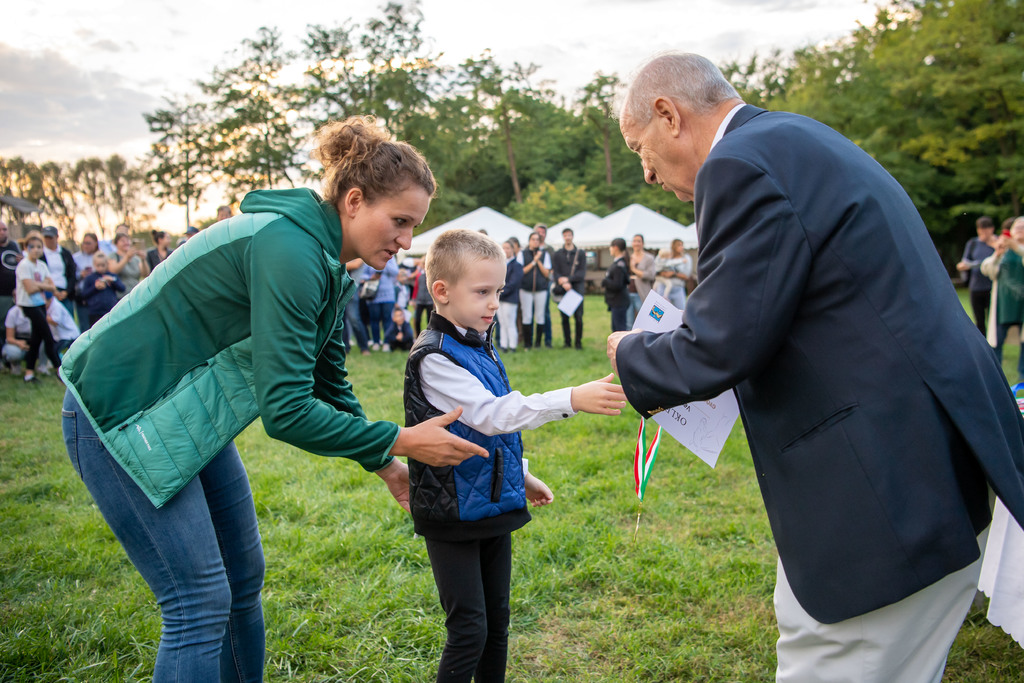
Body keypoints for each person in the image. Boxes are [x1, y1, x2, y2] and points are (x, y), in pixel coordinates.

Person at [607, 52, 1024, 683]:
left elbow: (721, 343)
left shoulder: (737, 165)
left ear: (669, 115)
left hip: (881, 489)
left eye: (641, 149)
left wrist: (630, 352)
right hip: (932, 457)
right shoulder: (798, 137)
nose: (645, 172)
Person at [59, 115, 488, 682]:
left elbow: (328, 382)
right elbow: (285, 411)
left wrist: (386, 463)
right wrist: (402, 439)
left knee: (241, 580)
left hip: (183, 417)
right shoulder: (289, 249)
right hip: (119, 413)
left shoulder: (325, 262)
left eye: (414, 226)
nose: (407, 241)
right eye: (400, 221)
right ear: (354, 201)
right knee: (198, 601)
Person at [404, 228, 626, 683]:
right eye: (482, 292)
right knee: (469, 630)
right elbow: (492, 415)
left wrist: (520, 476)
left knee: (497, 623)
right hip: (452, 511)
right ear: (441, 292)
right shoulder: (435, 357)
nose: (493, 303)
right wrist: (570, 397)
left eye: (499, 292)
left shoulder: (478, 341)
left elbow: (489, 432)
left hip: (493, 504)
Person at [981, 216, 1024, 380]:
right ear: (1010, 231)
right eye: (1017, 226)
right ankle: (996, 374)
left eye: (1023, 226)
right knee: (997, 340)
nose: (1019, 228)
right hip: (1004, 305)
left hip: (1022, 306)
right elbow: (987, 270)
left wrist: (1017, 247)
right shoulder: (1003, 249)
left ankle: (1022, 374)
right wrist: (997, 255)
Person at [15, 231, 61, 383]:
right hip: (28, 305)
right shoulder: (24, 265)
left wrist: (38, 285)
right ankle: (59, 369)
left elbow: (52, 287)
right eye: (32, 246)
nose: (36, 250)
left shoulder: (42, 265)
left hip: (40, 304)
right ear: (26, 248)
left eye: (39, 247)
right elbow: (29, 289)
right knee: (48, 336)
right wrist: (43, 285)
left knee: (36, 339)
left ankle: (29, 374)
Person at [956, 216, 997, 334]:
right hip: (976, 286)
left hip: (992, 285)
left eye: (986, 229)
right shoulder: (973, 243)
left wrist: (994, 245)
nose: (983, 232)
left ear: (992, 229)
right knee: (979, 320)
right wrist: (963, 266)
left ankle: (993, 343)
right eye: (981, 229)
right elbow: (964, 261)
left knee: (993, 320)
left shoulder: (998, 242)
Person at [552, 227, 587, 349]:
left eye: (569, 235)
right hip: (563, 288)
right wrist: (562, 282)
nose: (567, 237)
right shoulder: (557, 254)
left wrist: (568, 280)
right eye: (565, 235)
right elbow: (555, 272)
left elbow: (581, 273)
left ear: (572, 236)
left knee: (578, 317)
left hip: (577, 289)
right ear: (563, 237)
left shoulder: (580, 253)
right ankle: (567, 342)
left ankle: (578, 343)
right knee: (564, 317)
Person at [519, 231, 551, 349]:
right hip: (526, 289)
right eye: (533, 239)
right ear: (529, 241)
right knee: (527, 316)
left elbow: (546, 273)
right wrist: (533, 262)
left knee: (540, 316)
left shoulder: (545, 254)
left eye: (537, 240)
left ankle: (538, 343)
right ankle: (527, 344)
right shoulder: (522, 254)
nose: (535, 241)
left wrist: (538, 261)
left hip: (541, 289)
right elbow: (521, 271)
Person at [360, 256, 399, 350]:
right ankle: (376, 342)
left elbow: (395, 272)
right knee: (374, 320)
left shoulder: (390, 259)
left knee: (387, 319)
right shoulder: (370, 257)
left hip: (388, 295)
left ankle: (387, 342)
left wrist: (384, 262)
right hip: (373, 294)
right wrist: (371, 277)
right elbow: (362, 275)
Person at [77, 252, 125, 327]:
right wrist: (95, 287)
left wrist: (113, 281)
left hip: (111, 310)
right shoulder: (90, 278)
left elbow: (122, 288)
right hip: (95, 312)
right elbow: (84, 295)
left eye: (103, 265)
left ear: (107, 264)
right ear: (94, 264)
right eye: (98, 265)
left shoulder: (112, 276)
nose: (101, 268)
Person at [41, 225, 76, 316]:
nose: (48, 240)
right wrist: (53, 291)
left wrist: (67, 291)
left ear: (56, 237)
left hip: (65, 292)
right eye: (46, 237)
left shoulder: (65, 253)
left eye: (50, 237)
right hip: (48, 293)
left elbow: (72, 274)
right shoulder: (40, 255)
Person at [497, 240, 523, 352]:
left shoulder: (517, 265)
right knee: (502, 322)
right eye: (503, 248)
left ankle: (512, 345)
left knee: (510, 322)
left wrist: (500, 292)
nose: (505, 250)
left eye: (507, 248)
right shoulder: (500, 265)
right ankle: (504, 345)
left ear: (512, 250)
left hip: (510, 298)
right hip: (500, 298)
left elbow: (513, 283)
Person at [653, 237, 692, 310]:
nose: (681, 247)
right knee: (659, 311)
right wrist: (663, 273)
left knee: (681, 311)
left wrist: (673, 274)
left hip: (678, 288)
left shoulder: (686, 258)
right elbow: (657, 266)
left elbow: (687, 276)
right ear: (673, 246)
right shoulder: (667, 255)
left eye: (682, 245)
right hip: (663, 287)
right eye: (679, 245)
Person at [625, 233, 655, 326]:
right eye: (634, 241)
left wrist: (634, 269)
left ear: (643, 243)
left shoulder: (648, 258)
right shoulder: (629, 257)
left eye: (638, 241)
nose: (636, 243)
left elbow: (651, 275)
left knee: (645, 320)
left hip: (641, 293)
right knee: (629, 322)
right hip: (628, 292)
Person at [72, 232, 101, 330]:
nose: (86, 245)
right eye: (84, 243)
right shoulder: (76, 258)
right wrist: (80, 275)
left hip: (97, 295)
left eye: (89, 243)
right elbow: (71, 276)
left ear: (95, 243)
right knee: (84, 326)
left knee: (98, 326)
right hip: (82, 295)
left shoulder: (100, 256)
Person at [602, 237, 631, 332]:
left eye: (610, 247)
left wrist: (605, 281)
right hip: (617, 302)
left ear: (615, 248)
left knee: (619, 331)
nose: (609, 249)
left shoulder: (619, 265)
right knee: (616, 329)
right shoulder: (619, 263)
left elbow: (618, 284)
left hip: (619, 301)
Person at [108, 232, 150, 298]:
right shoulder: (113, 256)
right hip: (120, 296)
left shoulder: (136, 258)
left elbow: (145, 274)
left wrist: (143, 259)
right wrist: (127, 258)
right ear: (116, 244)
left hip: (135, 294)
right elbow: (113, 271)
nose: (126, 243)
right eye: (122, 241)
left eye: (127, 240)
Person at [534, 224, 555, 348]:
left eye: (543, 232)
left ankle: (548, 340)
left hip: (545, 284)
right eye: (539, 232)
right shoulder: (530, 248)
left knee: (545, 312)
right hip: (531, 285)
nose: (541, 234)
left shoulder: (549, 250)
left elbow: (551, 268)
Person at [0, 219, 21, 323]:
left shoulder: (14, 246)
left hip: (16, 294)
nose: (2, 232)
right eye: (0, 230)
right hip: (2, 295)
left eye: (4, 229)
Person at [3, 304, 31, 373]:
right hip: (16, 343)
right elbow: (9, 338)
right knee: (14, 353)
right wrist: (19, 343)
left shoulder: (38, 310)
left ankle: (42, 367)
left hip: (33, 342)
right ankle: (15, 365)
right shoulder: (12, 312)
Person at [411, 258, 434, 337]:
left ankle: (429, 336)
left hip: (429, 300)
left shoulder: (432, 275)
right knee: (417, 319)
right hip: (419, 300)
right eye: (423, 264)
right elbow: (416, 287)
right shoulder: (419, 275)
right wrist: (413, 299)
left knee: (429, 320)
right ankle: (417, 336)